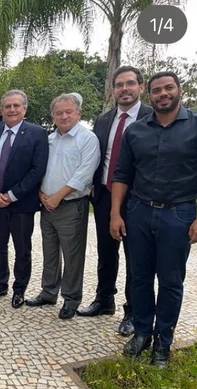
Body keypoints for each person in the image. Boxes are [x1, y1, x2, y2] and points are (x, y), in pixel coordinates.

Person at [111, 71, 197, 368]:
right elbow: (121, 175)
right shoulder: (136, 131)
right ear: (149, 94)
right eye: (157, 90)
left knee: (170, 280)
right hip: (138, 211)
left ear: (179, 90)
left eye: (169, 88)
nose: (163, 94)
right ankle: (142, 333)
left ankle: (163, 342)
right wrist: (116, 213)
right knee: (139, 277)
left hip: (178, 214)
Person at [77, 66, 153, 337]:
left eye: (130, 84)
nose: (124, 89)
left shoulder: (152, 117)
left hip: (138, 198)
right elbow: (99, 156)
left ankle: (132, 311)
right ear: (112, 90)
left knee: (136, 257)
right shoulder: (104, 119)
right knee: (106, 251)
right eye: (119, 85)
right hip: (105, 195)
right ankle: (104, 299)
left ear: (140, 87)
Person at [26, 93, 100, 319]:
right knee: (49, 252)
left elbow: (84, 175)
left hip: (71, 205)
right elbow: (40, 169)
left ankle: (71, 299)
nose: (64, 116)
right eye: (59, 113)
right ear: (53, 116)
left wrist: (57, 196)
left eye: (69, 111)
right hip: (46, 204)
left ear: (79, 113)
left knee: (72, 255)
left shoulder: (88, 139)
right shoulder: (50, 139)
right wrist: (41, 193)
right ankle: (49, 292)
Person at [0, 90, 49, 308]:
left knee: (22, 248)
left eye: (16, 106)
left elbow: (37, 170)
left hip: (22, 203)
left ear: (24, 109)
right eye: (7, 106)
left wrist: (12, 195)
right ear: (1, 109)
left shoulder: (37, 134)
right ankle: (0, 284)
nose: (12, 110)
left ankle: (19, 289)